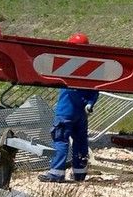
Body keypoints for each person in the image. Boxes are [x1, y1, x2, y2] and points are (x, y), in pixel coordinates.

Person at [38, 33, 100, 183]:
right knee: (80, 141)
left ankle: (56, 173)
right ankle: (79, 173)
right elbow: (95, 90)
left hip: (66, 112)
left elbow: (71, 90)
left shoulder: (66, 66)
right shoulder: (92, 66)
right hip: (81, 114)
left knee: (61, 140)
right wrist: (89, 103)